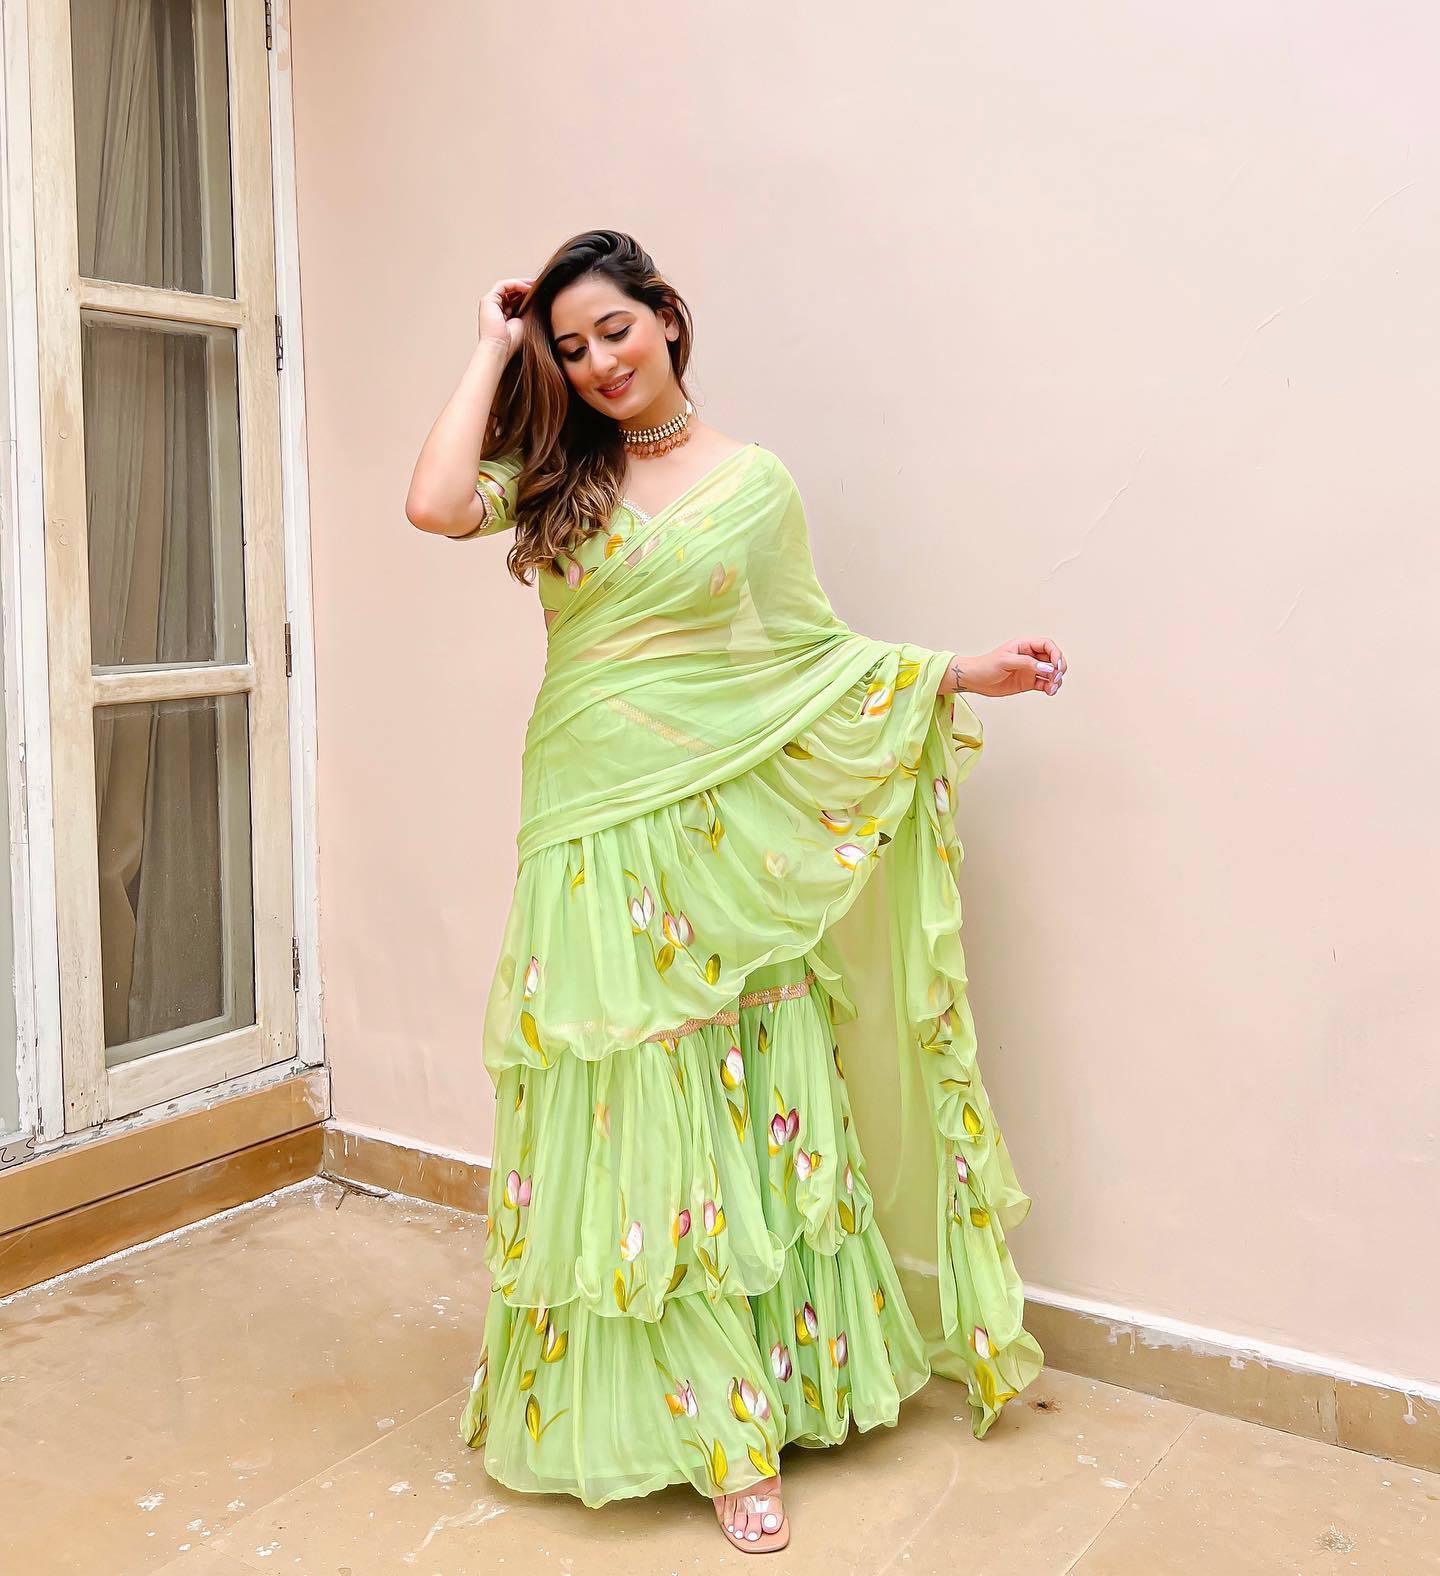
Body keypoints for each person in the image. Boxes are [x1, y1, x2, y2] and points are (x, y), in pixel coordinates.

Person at [406, 230, 1065, 1555]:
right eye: (571, 348)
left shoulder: (754, 487)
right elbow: (433, 506)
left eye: (615, 330)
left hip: (710, 828)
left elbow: (808, 656)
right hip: (584, 820)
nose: (599, 363)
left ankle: (759, 1401)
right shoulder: (560, 474)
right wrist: (492, 345)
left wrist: (953, 672)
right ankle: (713, 1427)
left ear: (666, 316)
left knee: (726, 1095)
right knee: (624, 1102)